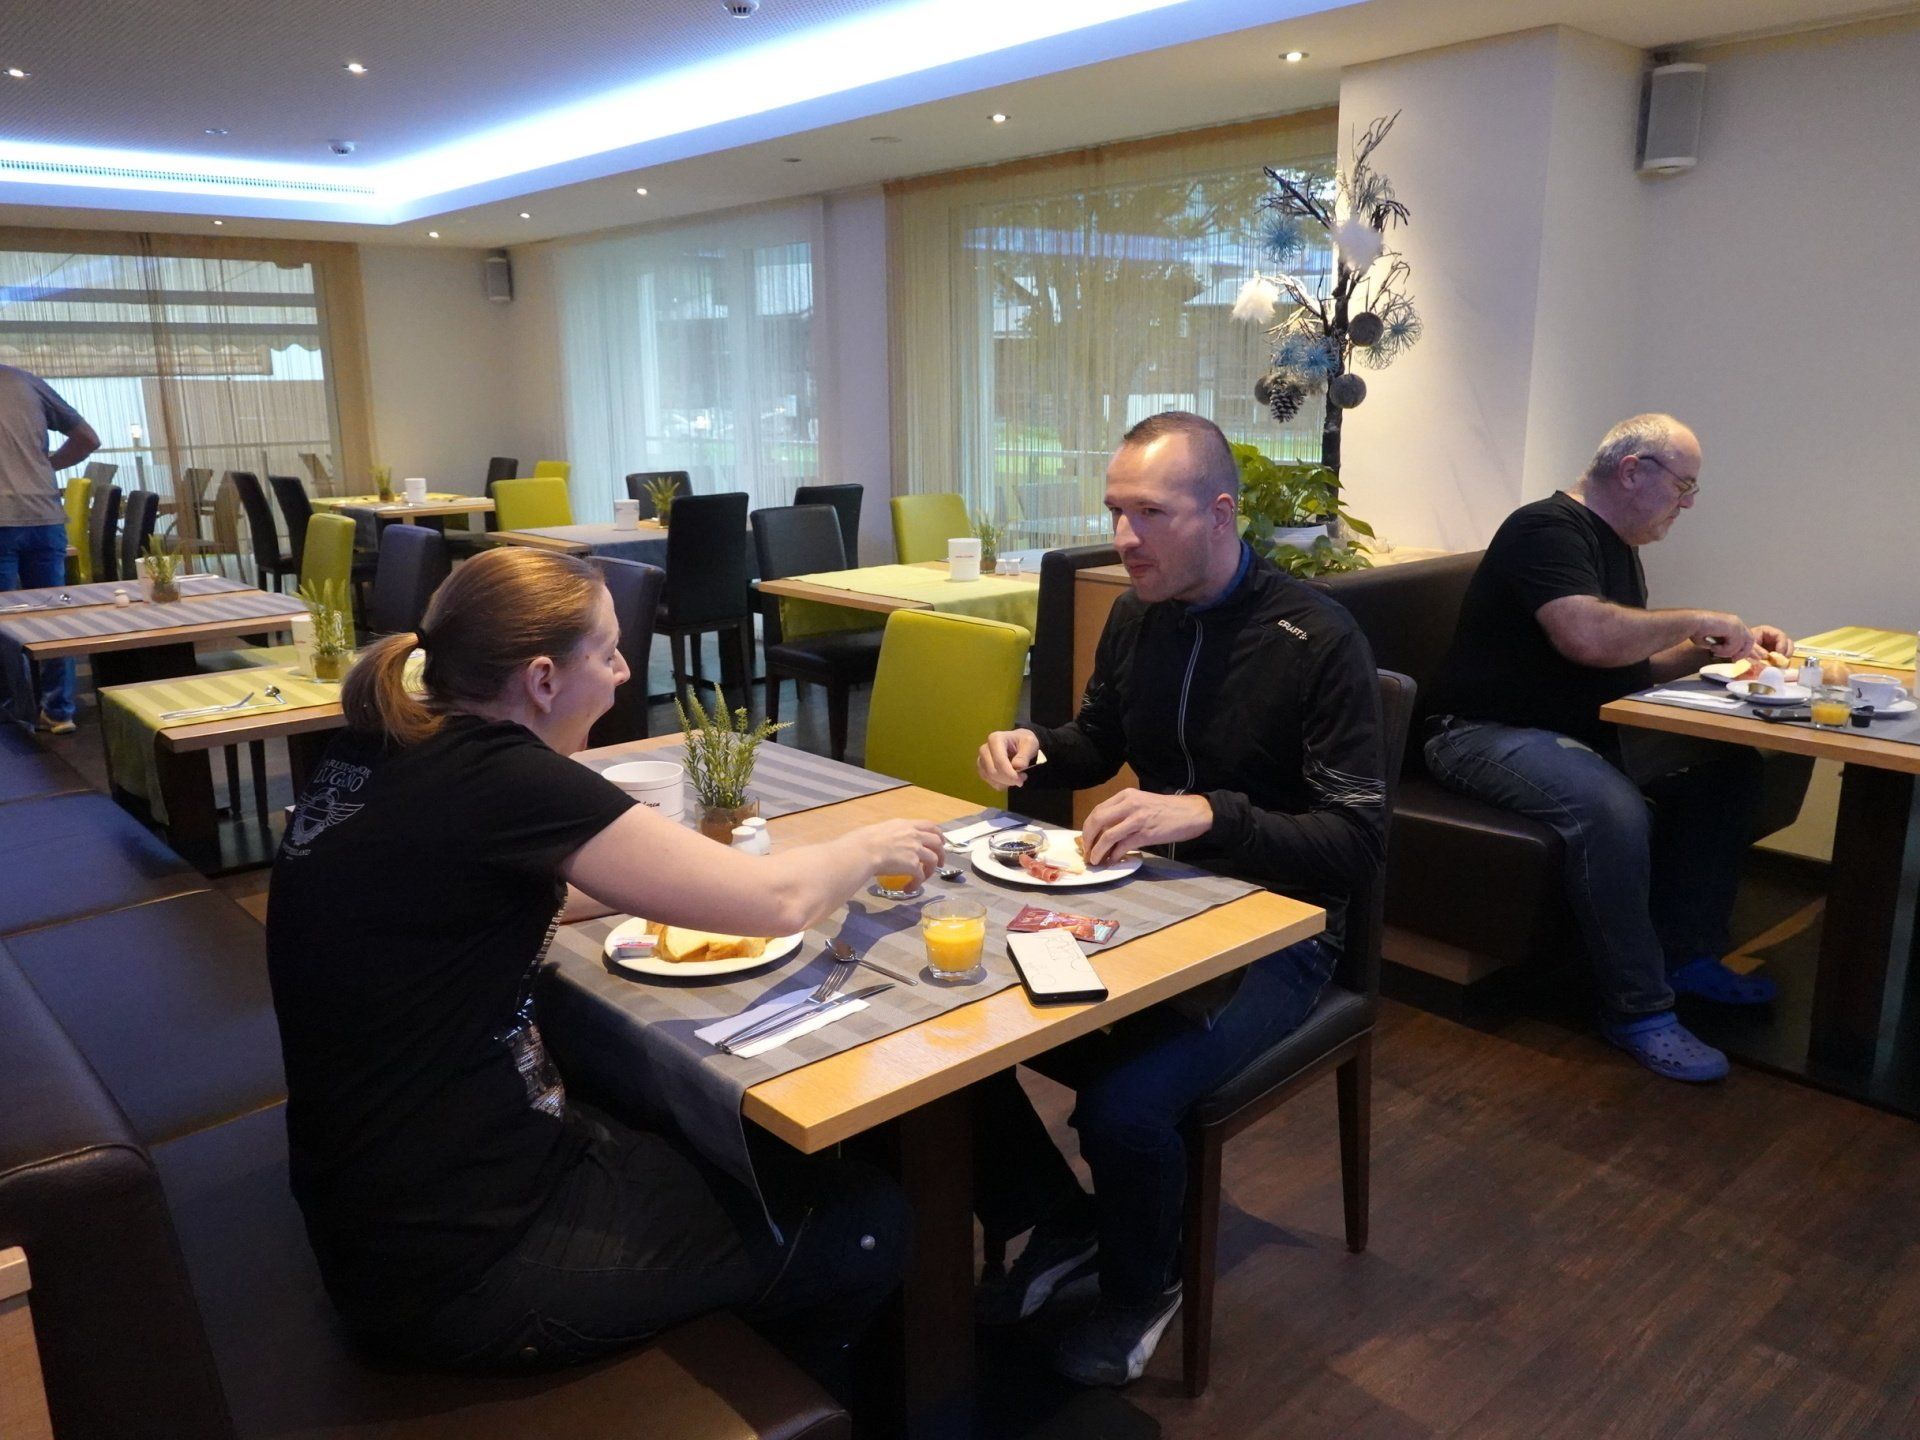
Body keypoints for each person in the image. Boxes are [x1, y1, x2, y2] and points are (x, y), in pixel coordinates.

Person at [266, 547, 945, 1384]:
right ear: (543, 679)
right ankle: (790, 1404)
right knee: (866, 1218)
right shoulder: (507, 778)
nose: (625, 674)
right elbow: (778, 904)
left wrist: (685, 875)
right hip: (462, 1267)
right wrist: (871, 846)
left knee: (706, 1133)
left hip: (374, 1210)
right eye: (611, 653)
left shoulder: (381, 746)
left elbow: (503, 889)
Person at [970, 411, 1387, 1386]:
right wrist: (1038, 747)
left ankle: (1142, 1284)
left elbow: (1357, 843)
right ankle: (1061, 1219)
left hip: (1283, 932)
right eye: (1115, 511)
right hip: (1154, 903)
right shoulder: (1137, 615)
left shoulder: (1317, 639)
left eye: (1150, 513)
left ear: (1221, 514)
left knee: (1124, 1108)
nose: (1124, 537)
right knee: (956, 1039)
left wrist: (1207, 814)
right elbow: (1100, 738)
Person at [1423, 413, 1785, 1084]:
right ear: (1632, 471)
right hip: (1477, 731)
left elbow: (1623, 669)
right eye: (1683, 485)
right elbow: (1586, 637)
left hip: (1575, 726)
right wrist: (1698, 618)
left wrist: (1710, 650)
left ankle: (1687, 956)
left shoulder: (1616, 547)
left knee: (1728, 768)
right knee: (1612, 807)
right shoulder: (1545, 529)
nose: (1688, 503)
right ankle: (1638, 1009)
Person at [0, 363, 98, 734]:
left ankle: (17, 713)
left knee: (5, 622)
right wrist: (45, 467)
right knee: (53, 616)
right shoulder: (27, 382)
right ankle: (58, 711)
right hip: (44, 516)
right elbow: (88, 439)